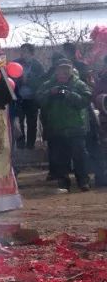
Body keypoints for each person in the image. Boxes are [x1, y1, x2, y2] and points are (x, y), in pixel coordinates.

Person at [37, 60, 93, 191]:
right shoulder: (48, 85)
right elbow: (38, 100)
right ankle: (63, 182)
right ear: (56, 71)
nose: (64, 73)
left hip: (76, 126)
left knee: (80, 155)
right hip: (56, 127)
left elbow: (86, 100)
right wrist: (51, 93)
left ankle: (83, 181)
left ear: (71, 71)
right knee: (60, 157)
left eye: (66, 70)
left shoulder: (79, 84)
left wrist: (70, 94)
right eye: (61, 71)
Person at [12, 43, 47, 150]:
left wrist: (29, 80)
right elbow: (11, 80)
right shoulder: (15, 63)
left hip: (33, 99)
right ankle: (21, 146)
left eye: (26, 51)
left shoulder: (38, 65)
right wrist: (21, 80)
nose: (23, 54)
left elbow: (42, 82)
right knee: (19, 122)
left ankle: (30, 146)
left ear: (32, 53)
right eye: (22, 51)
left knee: (32, 123)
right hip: (19, 99)